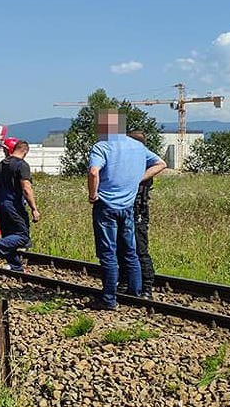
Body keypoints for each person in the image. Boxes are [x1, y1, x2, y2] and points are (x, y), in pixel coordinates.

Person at [88, 110, 166, 310]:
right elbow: (161, 163)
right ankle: (136, 294)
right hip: (128, 206)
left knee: (108, 253)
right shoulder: (138, 146)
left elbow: (94, 171)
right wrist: (138, 178)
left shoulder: (101, 146)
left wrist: (92, 194)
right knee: (130, 251)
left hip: (105, 206)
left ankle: (109, 300)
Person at [0, 141, 40, 271]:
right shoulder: (22, 165)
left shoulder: (0, 166)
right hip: (14, 206)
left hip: (1, 204)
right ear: (26, 151)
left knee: (9, 236)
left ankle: (15, 267)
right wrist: (34, 209)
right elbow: (26, 188)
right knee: (22, 237)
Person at [117, 131, 157, 299]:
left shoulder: (145, 161)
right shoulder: (135, 161)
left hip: (137, 209)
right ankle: (126, 282)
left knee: (139, 248)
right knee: (122, 247)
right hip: (127, 208)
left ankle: (146, 287)